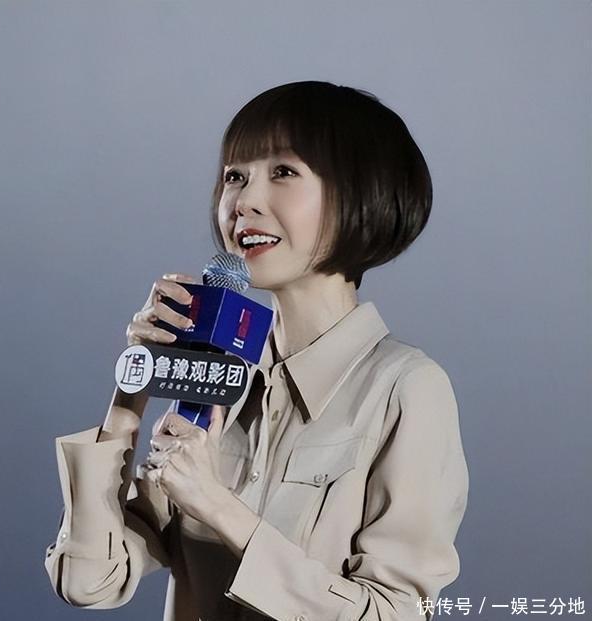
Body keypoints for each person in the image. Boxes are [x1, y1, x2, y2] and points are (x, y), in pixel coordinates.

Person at [44, 80, 469, 621]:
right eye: (234, 177)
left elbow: (396, 612)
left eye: (283, 172)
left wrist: (217, 506)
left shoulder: (405, 390)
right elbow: (89, 582)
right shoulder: (219, 381)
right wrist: (134, 387)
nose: (243, 202)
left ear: (360, 194)